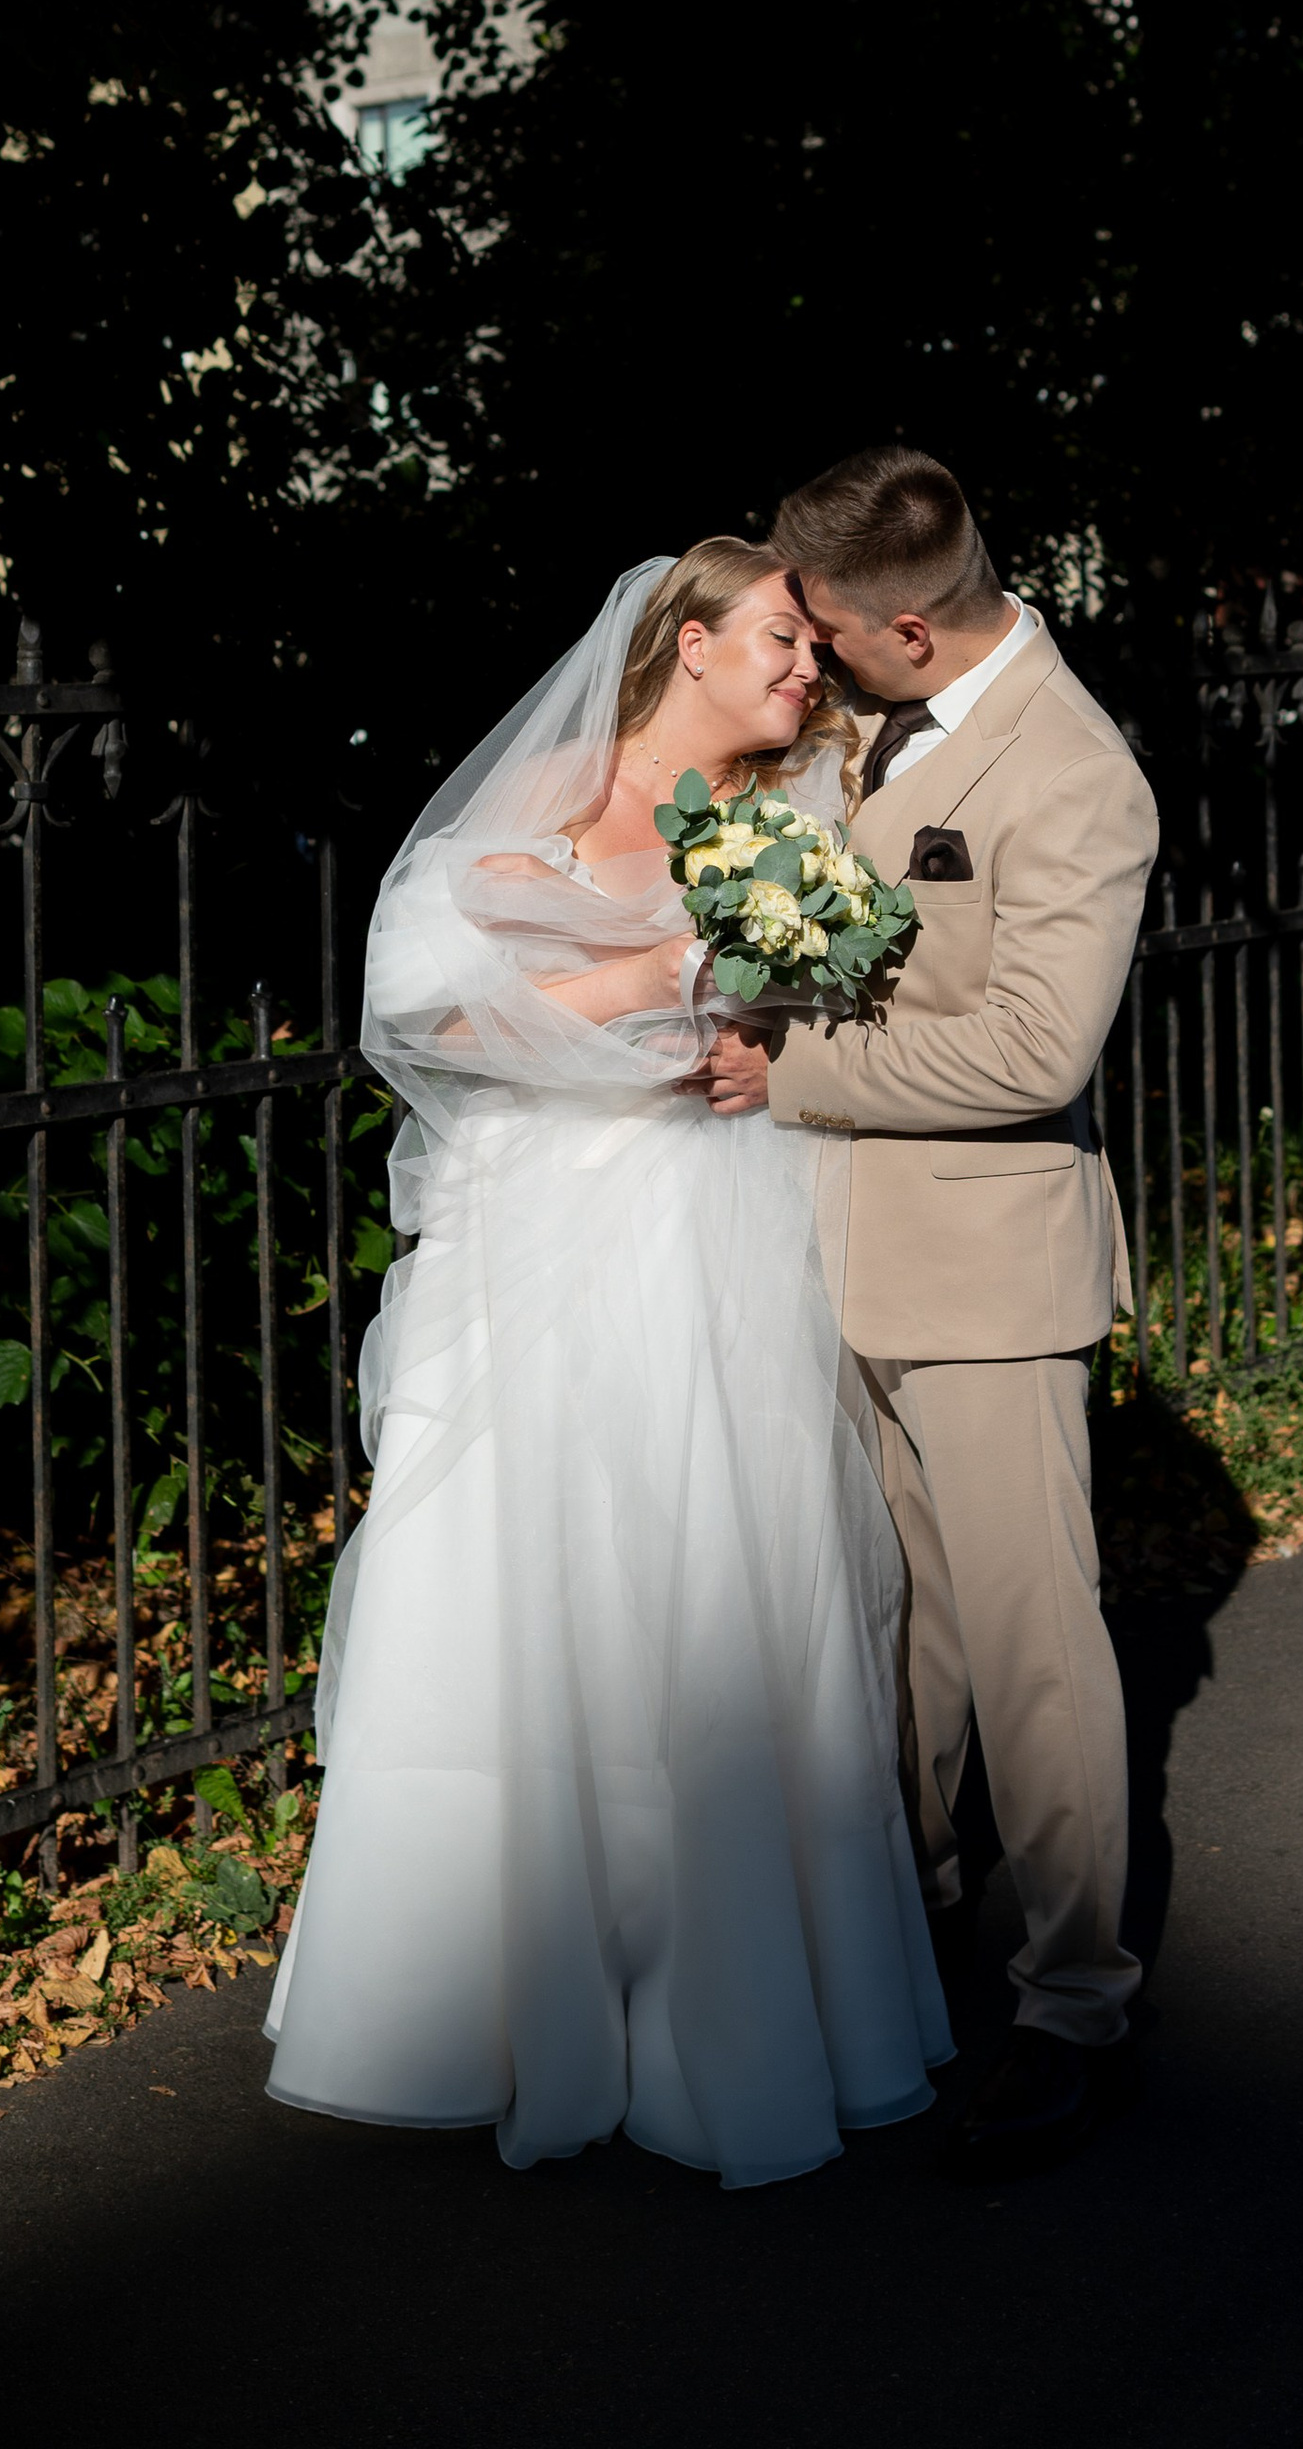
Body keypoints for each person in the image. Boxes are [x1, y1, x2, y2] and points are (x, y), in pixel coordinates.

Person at [264, 542, 950, 2188]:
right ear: (690, 644)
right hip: (531, 1239)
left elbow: (828, 1023)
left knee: (712, 1582)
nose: (813, 669)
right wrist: (640, 981)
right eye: (786, 640)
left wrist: (758, 1046)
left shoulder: (798, 825)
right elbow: (422, 1020)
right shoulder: (541, 800)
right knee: (512, 1588)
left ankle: (715, 2005)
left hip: (710, 1230)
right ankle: (477, 2006)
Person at [704, 446, 1159, 2178]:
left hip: (988, 1277)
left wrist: (798, 1069)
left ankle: (1076, 2003)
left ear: (907, 622)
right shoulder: (867, 728)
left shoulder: (1078, 773)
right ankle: (910, 1938)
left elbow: (1041, 1053)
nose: (802, 656)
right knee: (906, 1642)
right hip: (836, 1258)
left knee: (1038, 1654)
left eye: (823, 627)